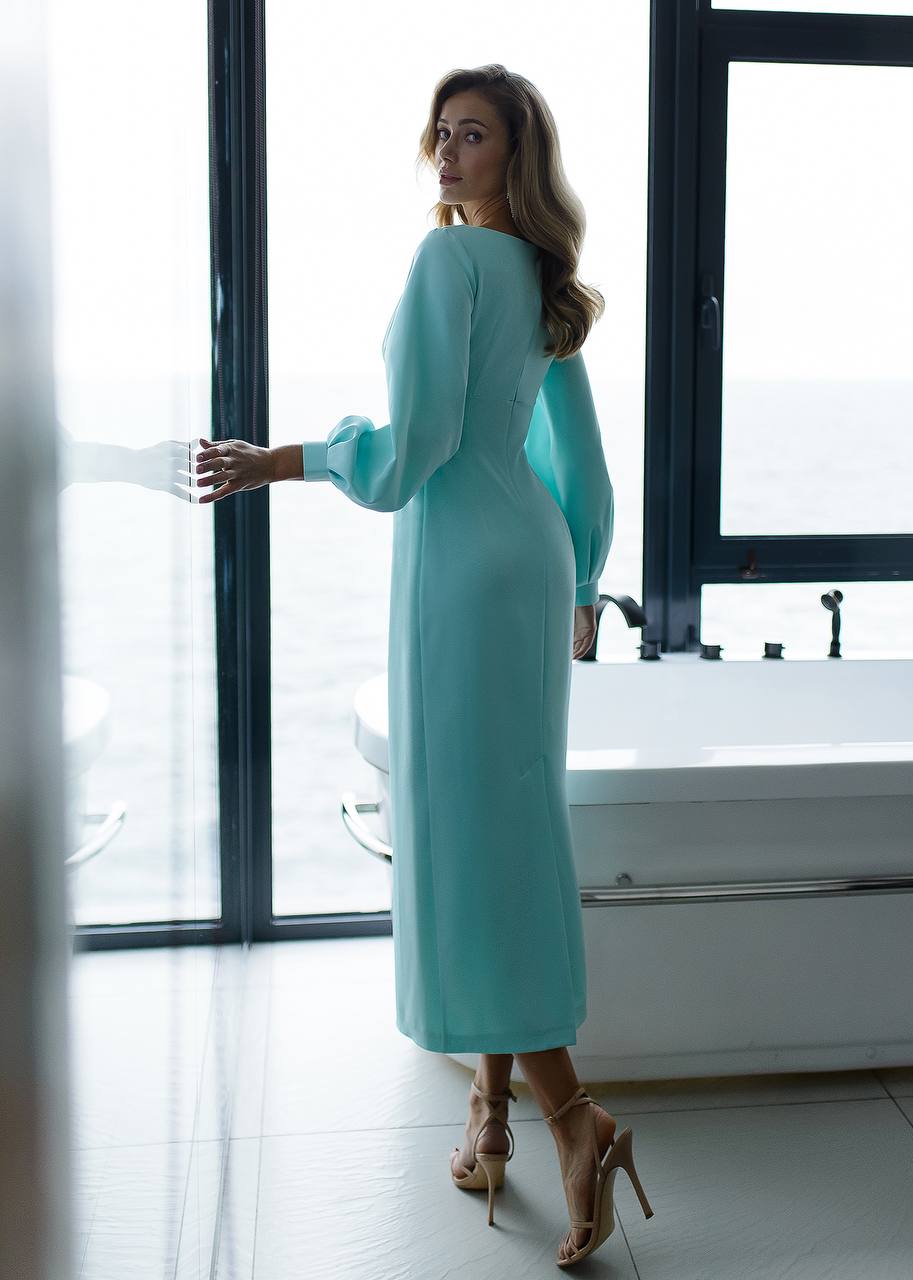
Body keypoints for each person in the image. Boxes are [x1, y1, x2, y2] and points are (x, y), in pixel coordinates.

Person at [190, 63, 653, 1269]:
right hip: (531, 563)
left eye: (473, 134)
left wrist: (280, 458)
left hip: (458, 571)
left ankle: (571, 1114)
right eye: (441, 132)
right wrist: (580, 583)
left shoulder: (447, 261)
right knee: (505, 824)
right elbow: (585, 470)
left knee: (470, 837)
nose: (447, 152)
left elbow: (410, 456)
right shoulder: (544, 281)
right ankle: (489, 1109)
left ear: (515, 154)